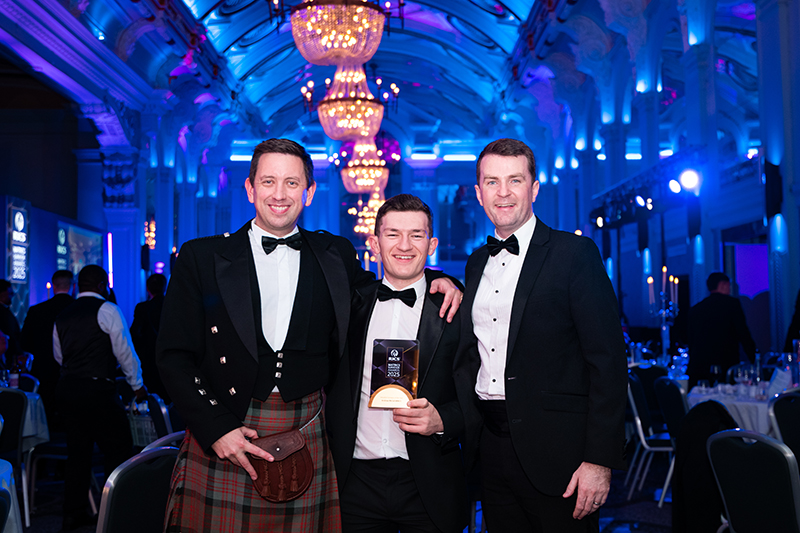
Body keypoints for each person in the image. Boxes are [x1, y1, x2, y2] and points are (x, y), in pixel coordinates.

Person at [156, 139, 460, 532]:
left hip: (308, 427)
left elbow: (390, 283)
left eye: (292, 183)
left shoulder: (333, 253)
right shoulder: (202, 257)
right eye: (268, 181)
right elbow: (172, 356)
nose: (279, 194)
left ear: (309, 192)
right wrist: (215, 428)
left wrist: (442, 281)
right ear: (250, 189)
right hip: (229, 428)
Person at [455, 138, 628, 532]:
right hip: (491, 445)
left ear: (533, 188)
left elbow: (608, 362)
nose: (503, 193)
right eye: (492, 182)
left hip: (560, 454)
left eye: (514, 180)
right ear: (479, 192)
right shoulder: (476, 262)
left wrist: (599, 460)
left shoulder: (575, 254)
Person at [326, 194, 467, 533]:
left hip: (429, 479)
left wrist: (443, 420)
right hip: (355, 481)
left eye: (416, 235)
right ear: (374, 243)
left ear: (431, 243)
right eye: (392, 234)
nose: (404, 245)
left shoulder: (456, 311)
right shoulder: (348, 305)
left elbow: (481, 392)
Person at [53, 264, 146, 530]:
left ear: (77, 286)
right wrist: (137, 384)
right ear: (102, 284)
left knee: (77, 452)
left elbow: (60, 357)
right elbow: (124, 352)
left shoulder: (63, 314)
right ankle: (116, 510)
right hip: (98, 390)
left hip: (68, 389)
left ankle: (73, 512)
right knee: (117, 449)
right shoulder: (108, 309)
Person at [21, 269, 74, 429]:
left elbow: (25, 341)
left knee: (46, 414)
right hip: (72, 370)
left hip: (43, 369)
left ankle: (42, 445)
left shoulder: (36, 311)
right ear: (72, 286)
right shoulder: (78, 309)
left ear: (54, 286)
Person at [687, 272, 756, 388]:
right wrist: (754, 358)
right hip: (725, 366)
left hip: (698, 366)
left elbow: (690, 340)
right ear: (723, 285)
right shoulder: (732, 304)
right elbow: (743, 334)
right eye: (729, 285)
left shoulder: (695, 309)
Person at [130, 273, 169, 403]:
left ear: (147, 288)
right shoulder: (171, 306)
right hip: (168, 357)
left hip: (148, 359)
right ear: (164, 287)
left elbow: (135, 334)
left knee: (152, 399)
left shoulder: (143, 308)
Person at [0, 279, 22, 361]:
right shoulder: (4, 313)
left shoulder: (5, 311)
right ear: (2, 295)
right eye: (11, 293)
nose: (12, 296)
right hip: (8, 356)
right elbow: (11, 334)